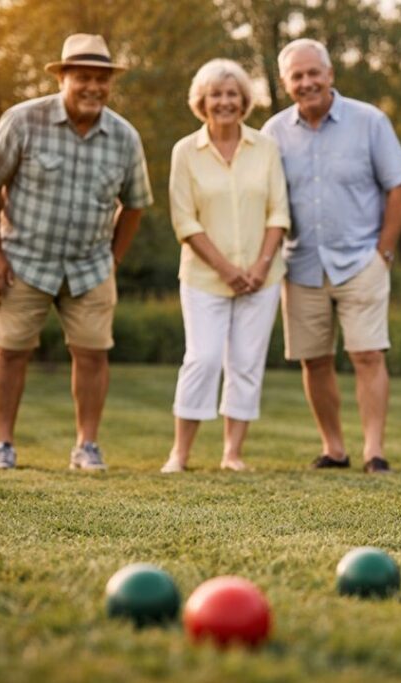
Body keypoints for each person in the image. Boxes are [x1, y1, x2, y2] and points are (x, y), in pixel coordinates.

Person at [0, 34, 153, 472]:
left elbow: (135, 205)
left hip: (91, 267)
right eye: (83, 77)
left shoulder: (125, 137)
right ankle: (3, 445)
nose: (93, 86)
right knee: (10, 349)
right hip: (22, 261)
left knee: (93, 354)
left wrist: (113, 259)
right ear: (63, 78)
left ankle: (86, 446)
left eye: (101, 79)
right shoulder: (22, 121)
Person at [262, 39, 401, 474]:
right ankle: (334, 449)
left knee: (368, 355)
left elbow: (399, 187)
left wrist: (383, 251)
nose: (307, 82)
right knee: (314, 360)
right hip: (301, 265)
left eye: (314, 73)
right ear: (285, 83)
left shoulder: (369, 121)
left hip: (360, 262)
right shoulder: (272, 133)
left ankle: (374, 452)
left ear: (330, 74)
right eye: (297, 76)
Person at [160, 59, 290, 474]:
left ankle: (232, 453)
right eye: (215, 94)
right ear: (202, 101)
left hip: (262, 277)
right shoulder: (185, 151)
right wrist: (227, 269)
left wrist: (259, 265)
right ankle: (180, 454)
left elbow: (278, 213)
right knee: (203, 358)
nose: (224, 101)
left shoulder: (265, 147)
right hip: (203, 279)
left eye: (232, 93)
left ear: (244, 100)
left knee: (247, 362)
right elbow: (184, 220)